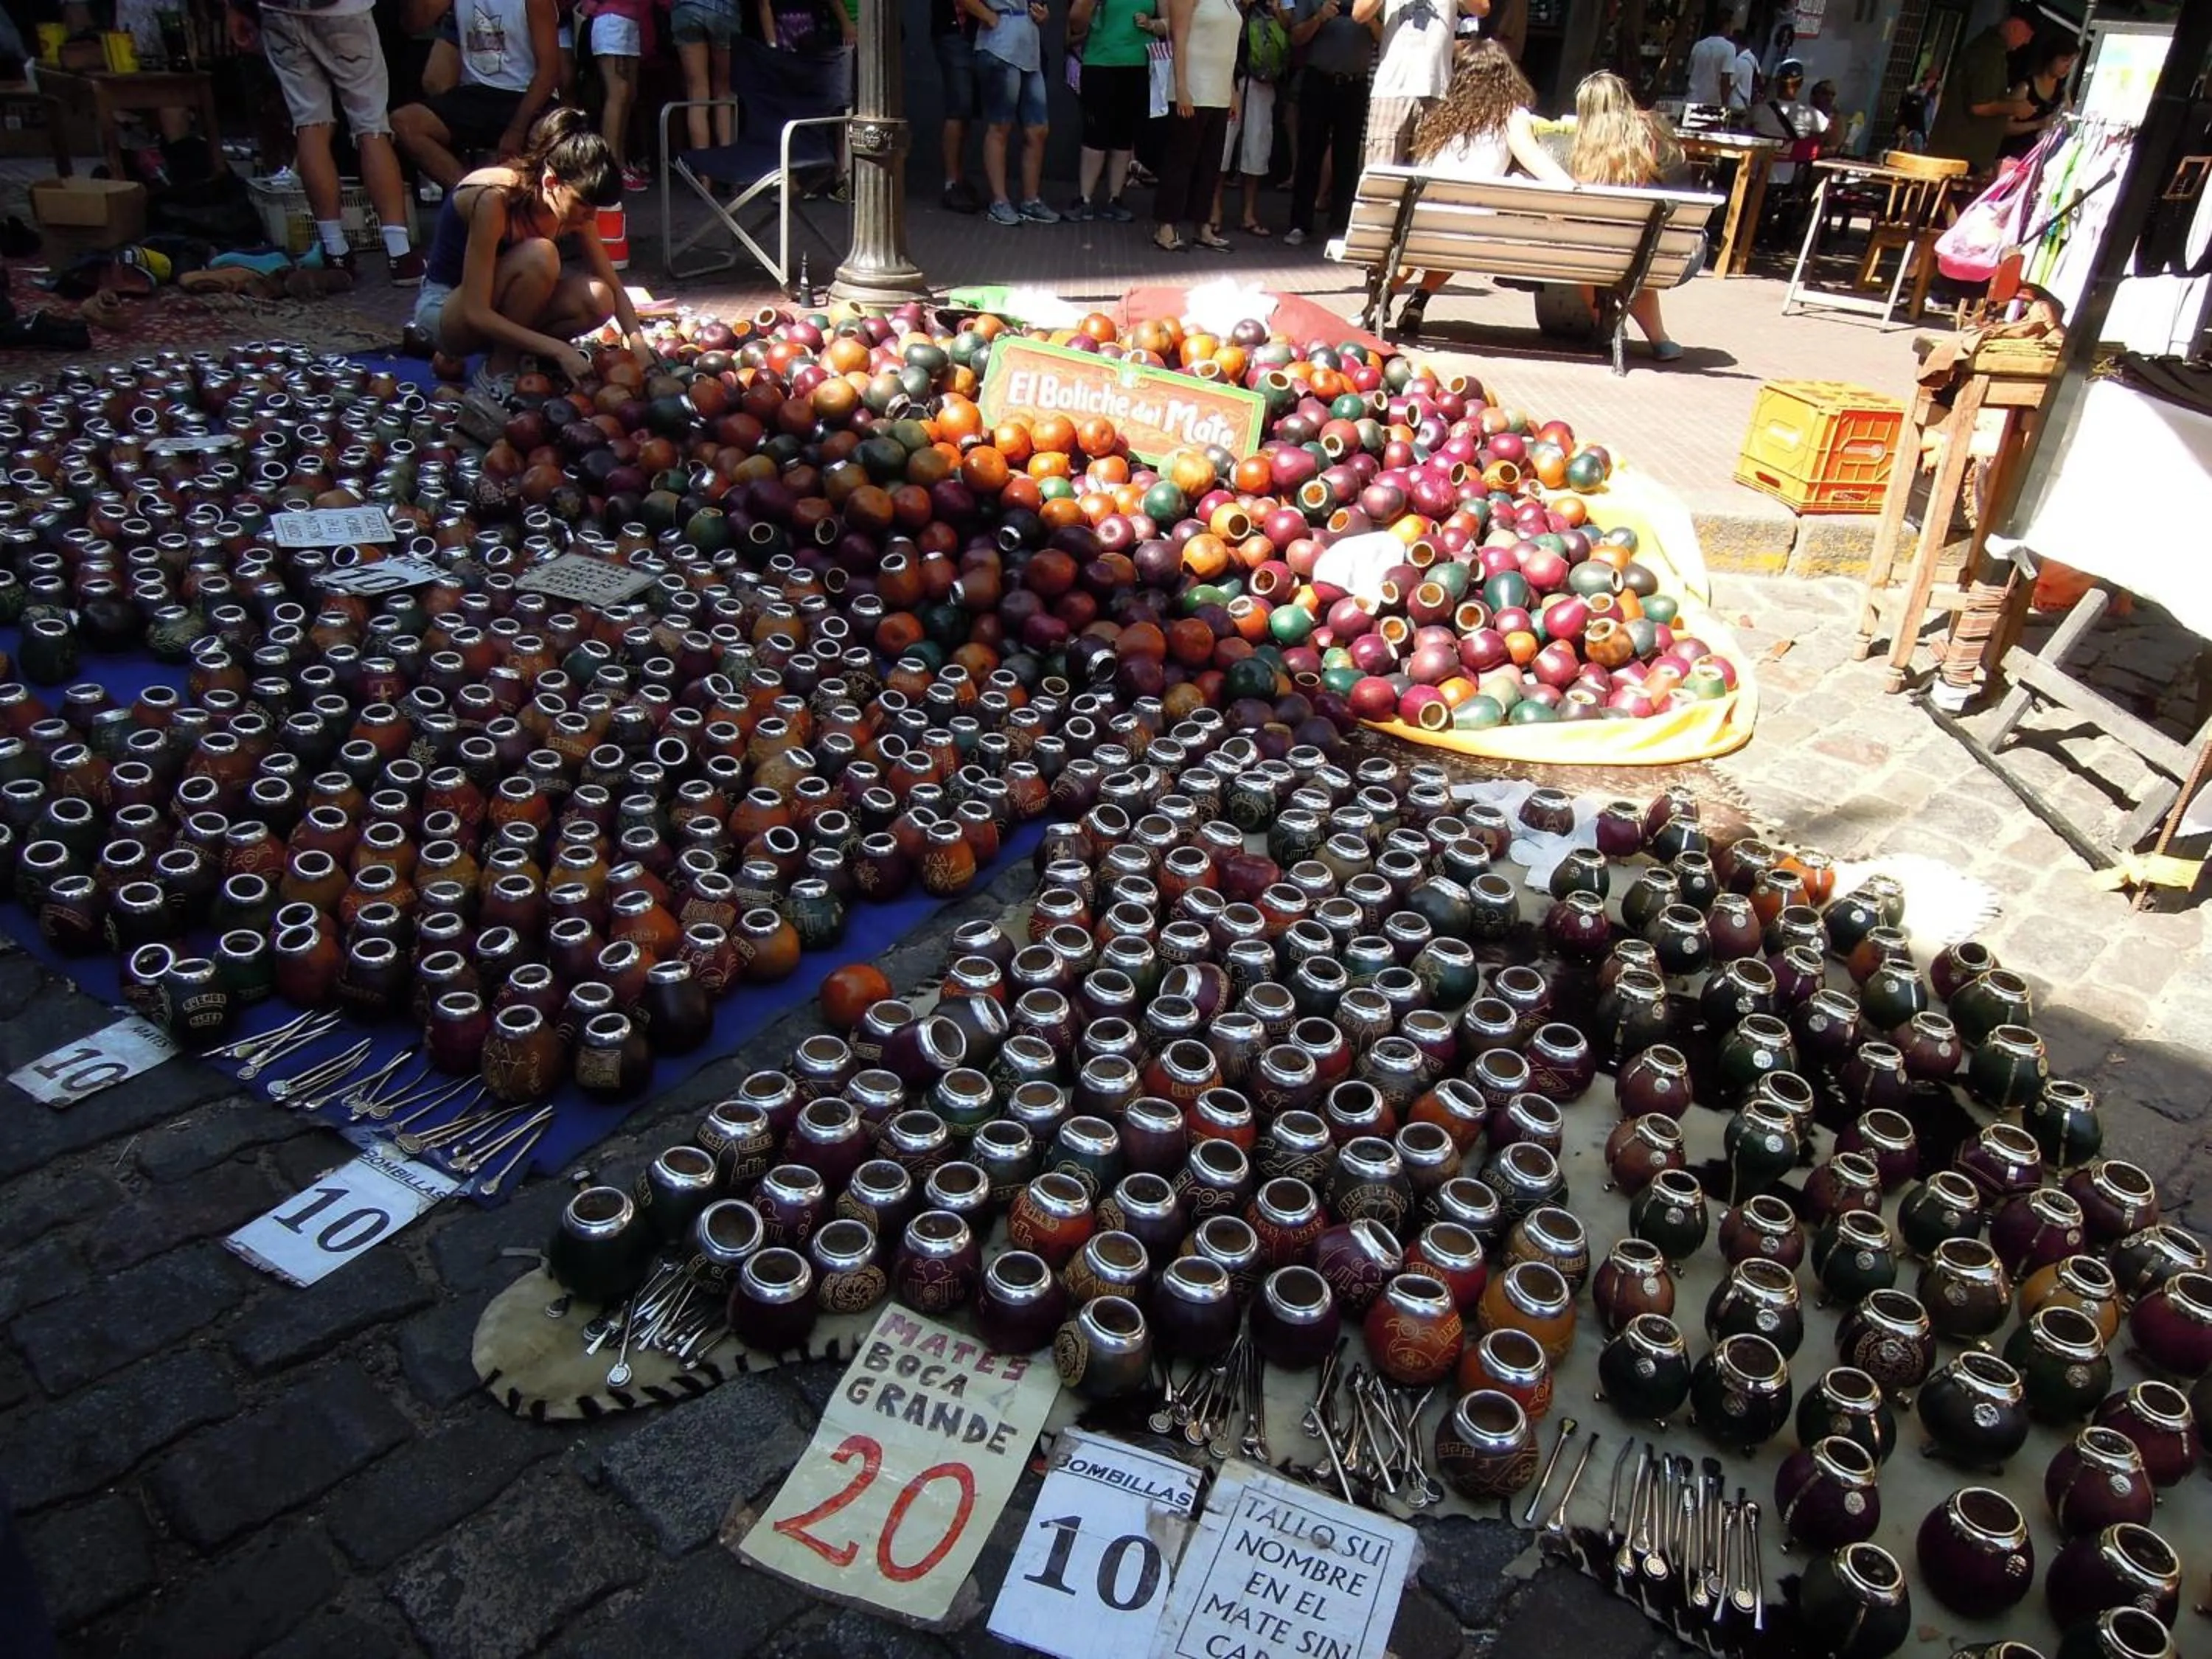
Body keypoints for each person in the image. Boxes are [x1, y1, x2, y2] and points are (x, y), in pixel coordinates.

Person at [412, 107, 649, 400]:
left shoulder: (575, 205)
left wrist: (640, 349)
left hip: (499, 311)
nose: (591, 217)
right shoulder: (493, 199)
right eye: (584, 206)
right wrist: (558, 349)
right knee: (540, 255)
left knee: (599, 298)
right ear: (551, 183)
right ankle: (498, 371)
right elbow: (476, 312)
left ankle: (524, 358)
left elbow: (612, 284)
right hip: (447, 311)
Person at [223, 0, 423, 283]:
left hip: (279, 10)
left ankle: (335, 250)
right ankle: (400, 255)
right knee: (371, 127)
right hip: (344, 11)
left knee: (310, 125)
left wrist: (234, 7)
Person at [1388, 39, 1568, 335]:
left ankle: (1382, 299)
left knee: (1427, 237)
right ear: (1507, 76)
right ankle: (1421, 295)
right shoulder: (1512, 117)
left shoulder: (1442, 117)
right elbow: (1537, 162)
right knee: (1465, 228)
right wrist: (1571, 188)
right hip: (1471, 234)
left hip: (1423, 225)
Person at [1570, 70, 1688, 359]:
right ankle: (1660, 339)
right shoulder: (1653, 130)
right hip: (1661, 250)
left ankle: (1607, 325)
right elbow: (1680, 175)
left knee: (1582, 257)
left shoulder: (1586, 148)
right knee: (1639, 256)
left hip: (1597, 252)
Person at [393, 0, 562, 190]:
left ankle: (522, 198)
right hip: (475, 93)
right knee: (405, 124)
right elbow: (413, 25)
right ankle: (471, 192)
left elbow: (549, 72)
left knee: (550, 135)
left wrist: (517, 130)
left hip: (524, 95)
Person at [1281, 0, 1372, 246]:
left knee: (1347, 158)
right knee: (1309, 154)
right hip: (1318, 80)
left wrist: (1367, 17)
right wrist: (1319, 17)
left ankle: (1340, 226)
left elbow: (1385, 37)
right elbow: (1296, 37)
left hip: (1355, 83)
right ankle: (1300, 224)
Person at [1152, 0, 1239, 249]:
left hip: (1218, 91)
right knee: (1180, 160)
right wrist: (1181, 87)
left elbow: (1225, 46)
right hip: (1194, 87)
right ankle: (1166, 227)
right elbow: (1178, 38)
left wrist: (1232, 90)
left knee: (1210, 163)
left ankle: (1203, 227)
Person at [1359, 0, 1486, 170]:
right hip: (1392, 89)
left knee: (1428, 179)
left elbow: (1482, 8)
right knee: (1380, 176)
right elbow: (1359, 13)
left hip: (1436, 90)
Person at [1068, 0, 1163, 220]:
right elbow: (1075, 22)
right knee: (1095, 132)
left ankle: (1115, 198)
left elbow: (1169, 22)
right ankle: (1084, 198)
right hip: (1100, 61)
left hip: (1138, 63)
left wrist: (1152, 25)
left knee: (1124, 134)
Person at [967, 0, 1060, 225]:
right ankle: (999, 201)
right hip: (999, 48)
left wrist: (1042, 14)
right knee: (1000, 126)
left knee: (1038, 130)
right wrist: (990, 17)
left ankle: (1031, 200)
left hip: (1029, 50)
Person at [1926, 2, 2036, 177]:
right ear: (2015, 27)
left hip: (1963, 153)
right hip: (1961, 155)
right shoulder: (1989, 53)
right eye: (2027, 35)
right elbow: (1980, 106)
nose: (2027, 42)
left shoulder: (1992, 50)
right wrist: (2015, 107)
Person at [1211, 0, 1290, 236]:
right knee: (1222, 145)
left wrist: (1276, 9)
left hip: (1263, 77)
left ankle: (1249, 213)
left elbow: (1290, 26)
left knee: (1257, 145)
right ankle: (1214, 208)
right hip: (1227, 72)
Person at [580, 0, 652, 190]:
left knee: (629, 94)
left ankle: (620, 161)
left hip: (632, 19)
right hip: (610, 19)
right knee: (618, 91)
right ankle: (611, 166)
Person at [931, 0, 985, 211]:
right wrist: (992, 18)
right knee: (959, 106)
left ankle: (959, 178)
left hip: (975, 33)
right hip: (954, 31)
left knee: (966, 110)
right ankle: (952, 183)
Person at [671, 0, 740, 153]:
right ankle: (727, 157)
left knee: (697, 93)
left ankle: (702, 163)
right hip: (723, 10)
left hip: (686, 8)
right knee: (723, 90)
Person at [2000, 33, 2077, 161]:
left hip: (2040, 159)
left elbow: (2068, 122)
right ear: (2051, 58)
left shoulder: (2062, 92)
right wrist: (2037, 124)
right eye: (2064, 60)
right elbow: (2003, 127)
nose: (2068, 67)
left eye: (2072, 62)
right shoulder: (2025, 87)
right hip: (2014, 157)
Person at [1685, 18, 1734, 108]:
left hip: (1692, 99)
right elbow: (1725, 78)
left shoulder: (1698, 45)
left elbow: (1689, 74)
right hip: (1712, 102)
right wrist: (1725, 104)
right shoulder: (1729, 48)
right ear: (1725, 26)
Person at [1728, 29, 1758, 112]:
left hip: (1735, 103)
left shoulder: (1740, 62)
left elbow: (1730, 83)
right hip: (1745, 103)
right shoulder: (1753, 59)